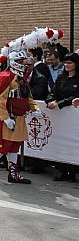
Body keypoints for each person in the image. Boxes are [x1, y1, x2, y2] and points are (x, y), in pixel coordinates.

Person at [0, 47, 39, 185]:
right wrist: (6, 119)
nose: (24, 64)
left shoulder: (21, 78)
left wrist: (34, 108)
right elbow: (0, 101)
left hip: (20, 117)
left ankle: (13, 173)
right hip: (9, 117)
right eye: (21, 61)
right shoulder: (5, 77)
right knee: (4, 145)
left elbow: (27, 96)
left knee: (15, 145)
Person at [45, 52, 79, 182]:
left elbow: (74, 96)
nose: (67, 65)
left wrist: (59, 103)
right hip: (61, 118)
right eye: (65, 63)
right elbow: (54, 92)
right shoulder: (61, 77)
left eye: (70, 63)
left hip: (73, 116)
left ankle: (72, 171)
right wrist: (50, 101)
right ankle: (61, 169)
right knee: (61, 141)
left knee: (72, 142)